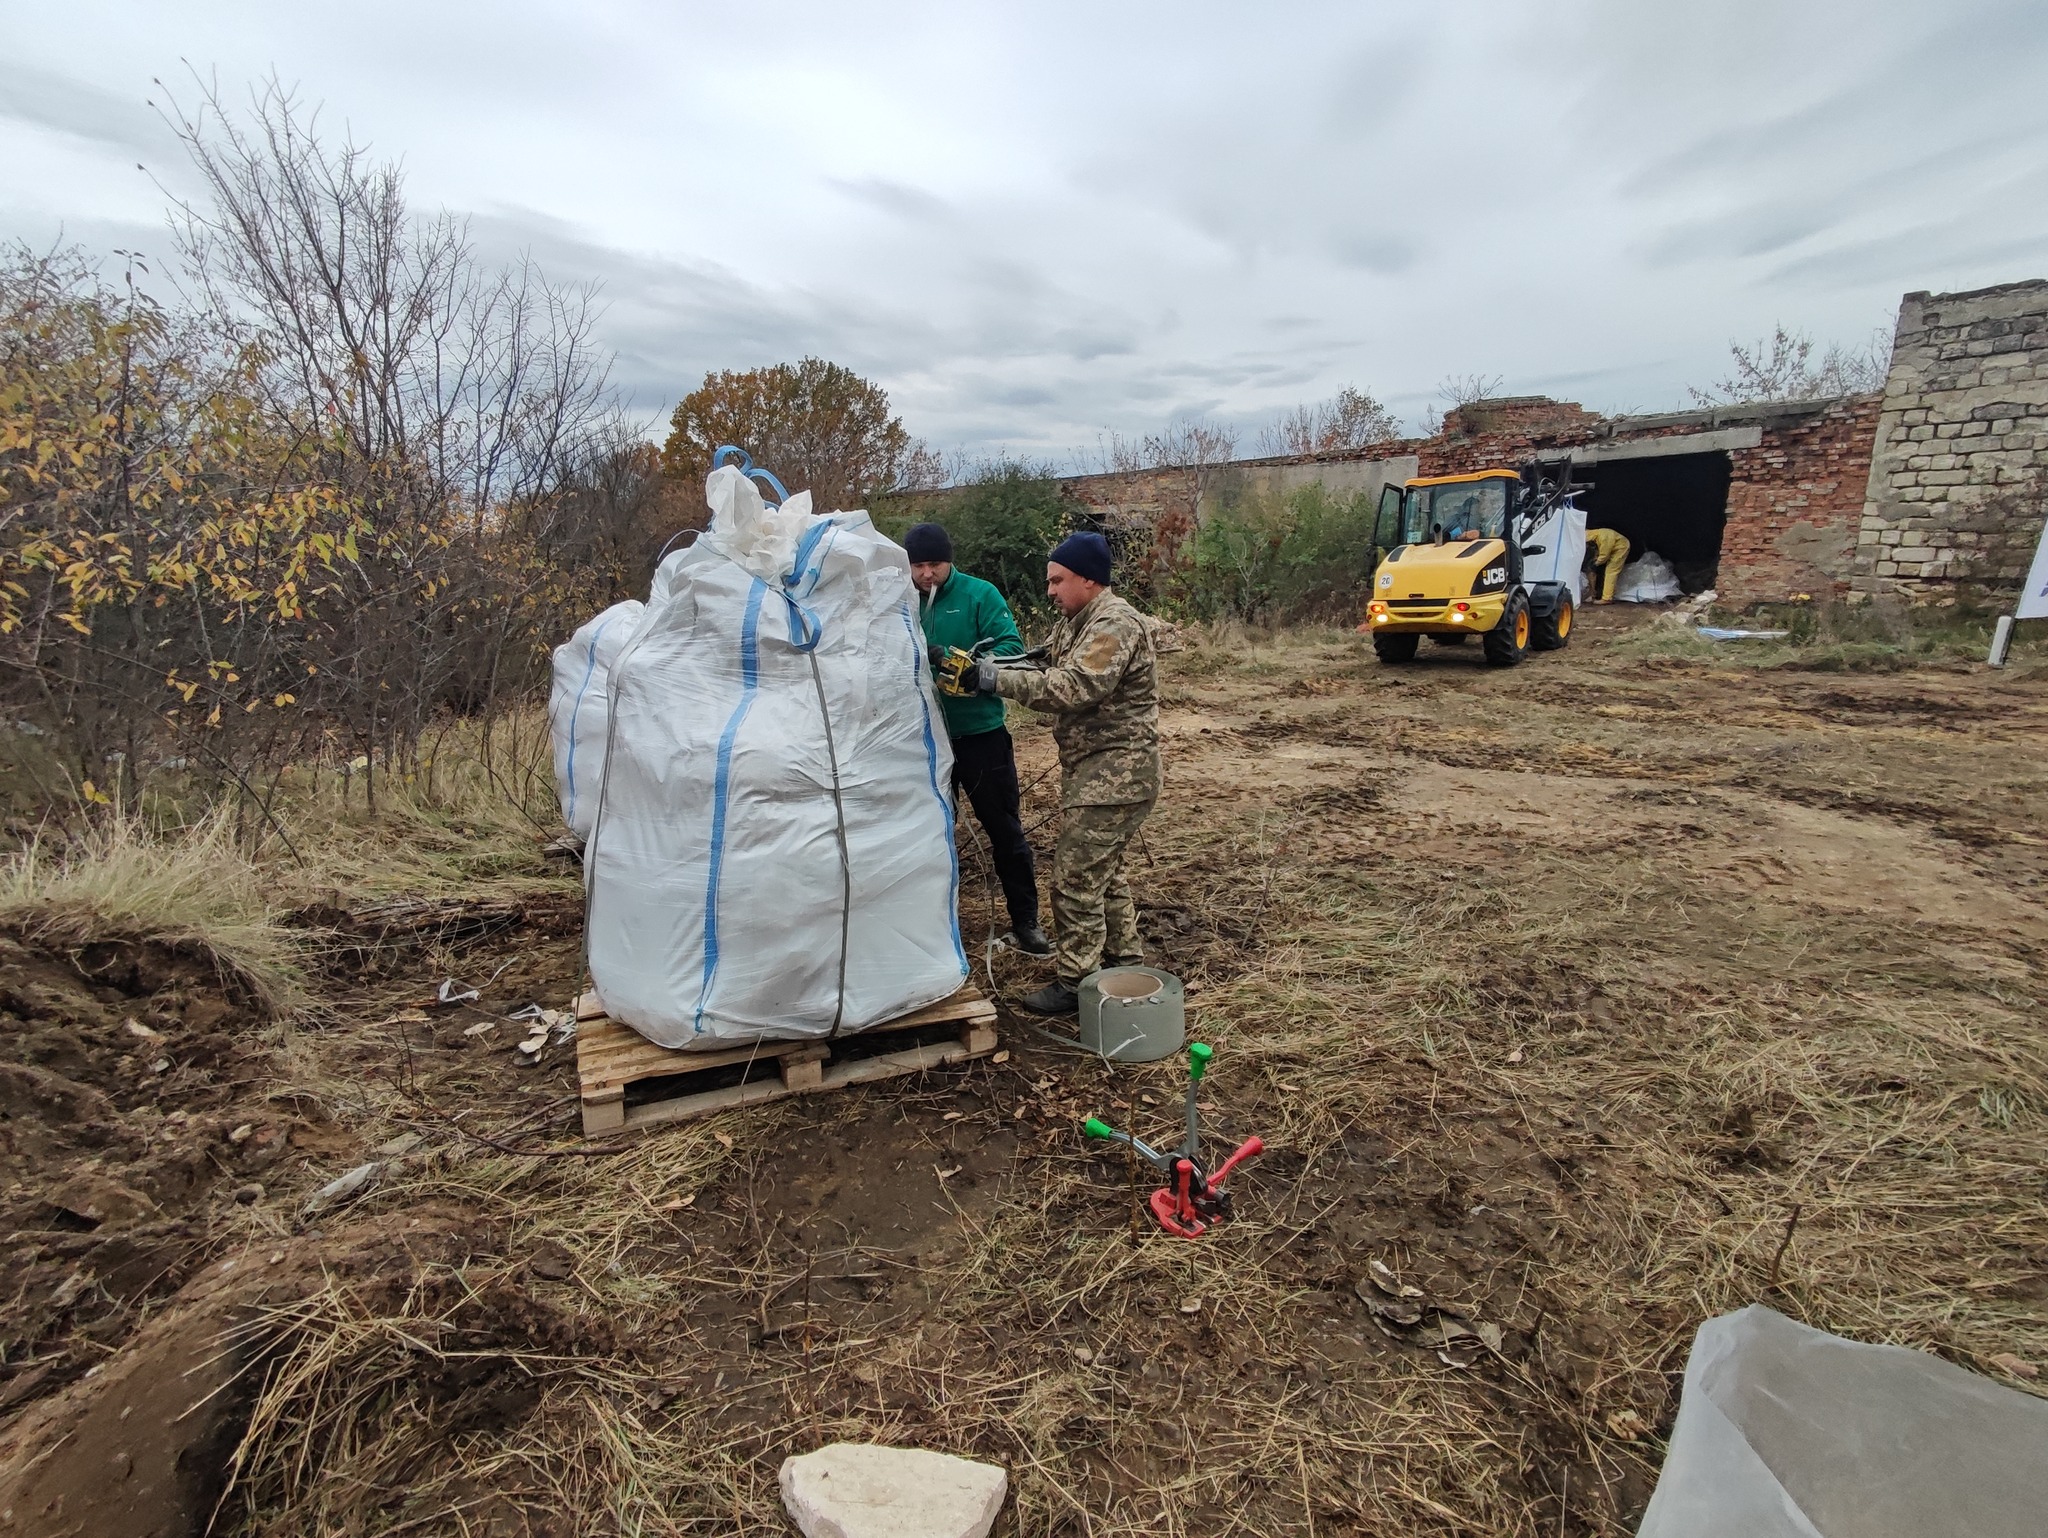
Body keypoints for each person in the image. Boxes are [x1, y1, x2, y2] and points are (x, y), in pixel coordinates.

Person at [962, 530, 1158, 1016]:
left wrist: (991, 679)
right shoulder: (1078, 621)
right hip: (1098, 772)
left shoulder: (1114, 624)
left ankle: (1077, 983)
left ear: (1089, 579)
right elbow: (1041, 659)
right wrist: (985, 661)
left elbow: (1074, 687)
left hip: (1118, 773)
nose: (1050, 591)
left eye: (1057, 580)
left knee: (1074, 880)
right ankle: (1123, 960)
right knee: (1104, 874)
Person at [907, 522, 1051, 957]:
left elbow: (1011, 647)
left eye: (935, 564)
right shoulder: (896, 600)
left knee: (1004, 829)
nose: (927, 574)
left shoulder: (979, 594)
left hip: (980, 733)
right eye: (919, 566)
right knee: (929, 831)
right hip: (923, 740)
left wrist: (976, 667)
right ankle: (931, 922)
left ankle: (1026, 921)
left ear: (950, 562)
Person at [1588, 526, 1632, 603]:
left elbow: (1604, 555)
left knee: (1611, 571)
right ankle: (1608, 593)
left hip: (1621, 548)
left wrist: (1596, 563)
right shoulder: (1595, 534)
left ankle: (1606, 598)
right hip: (1614, 547)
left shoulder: (1604, 537)